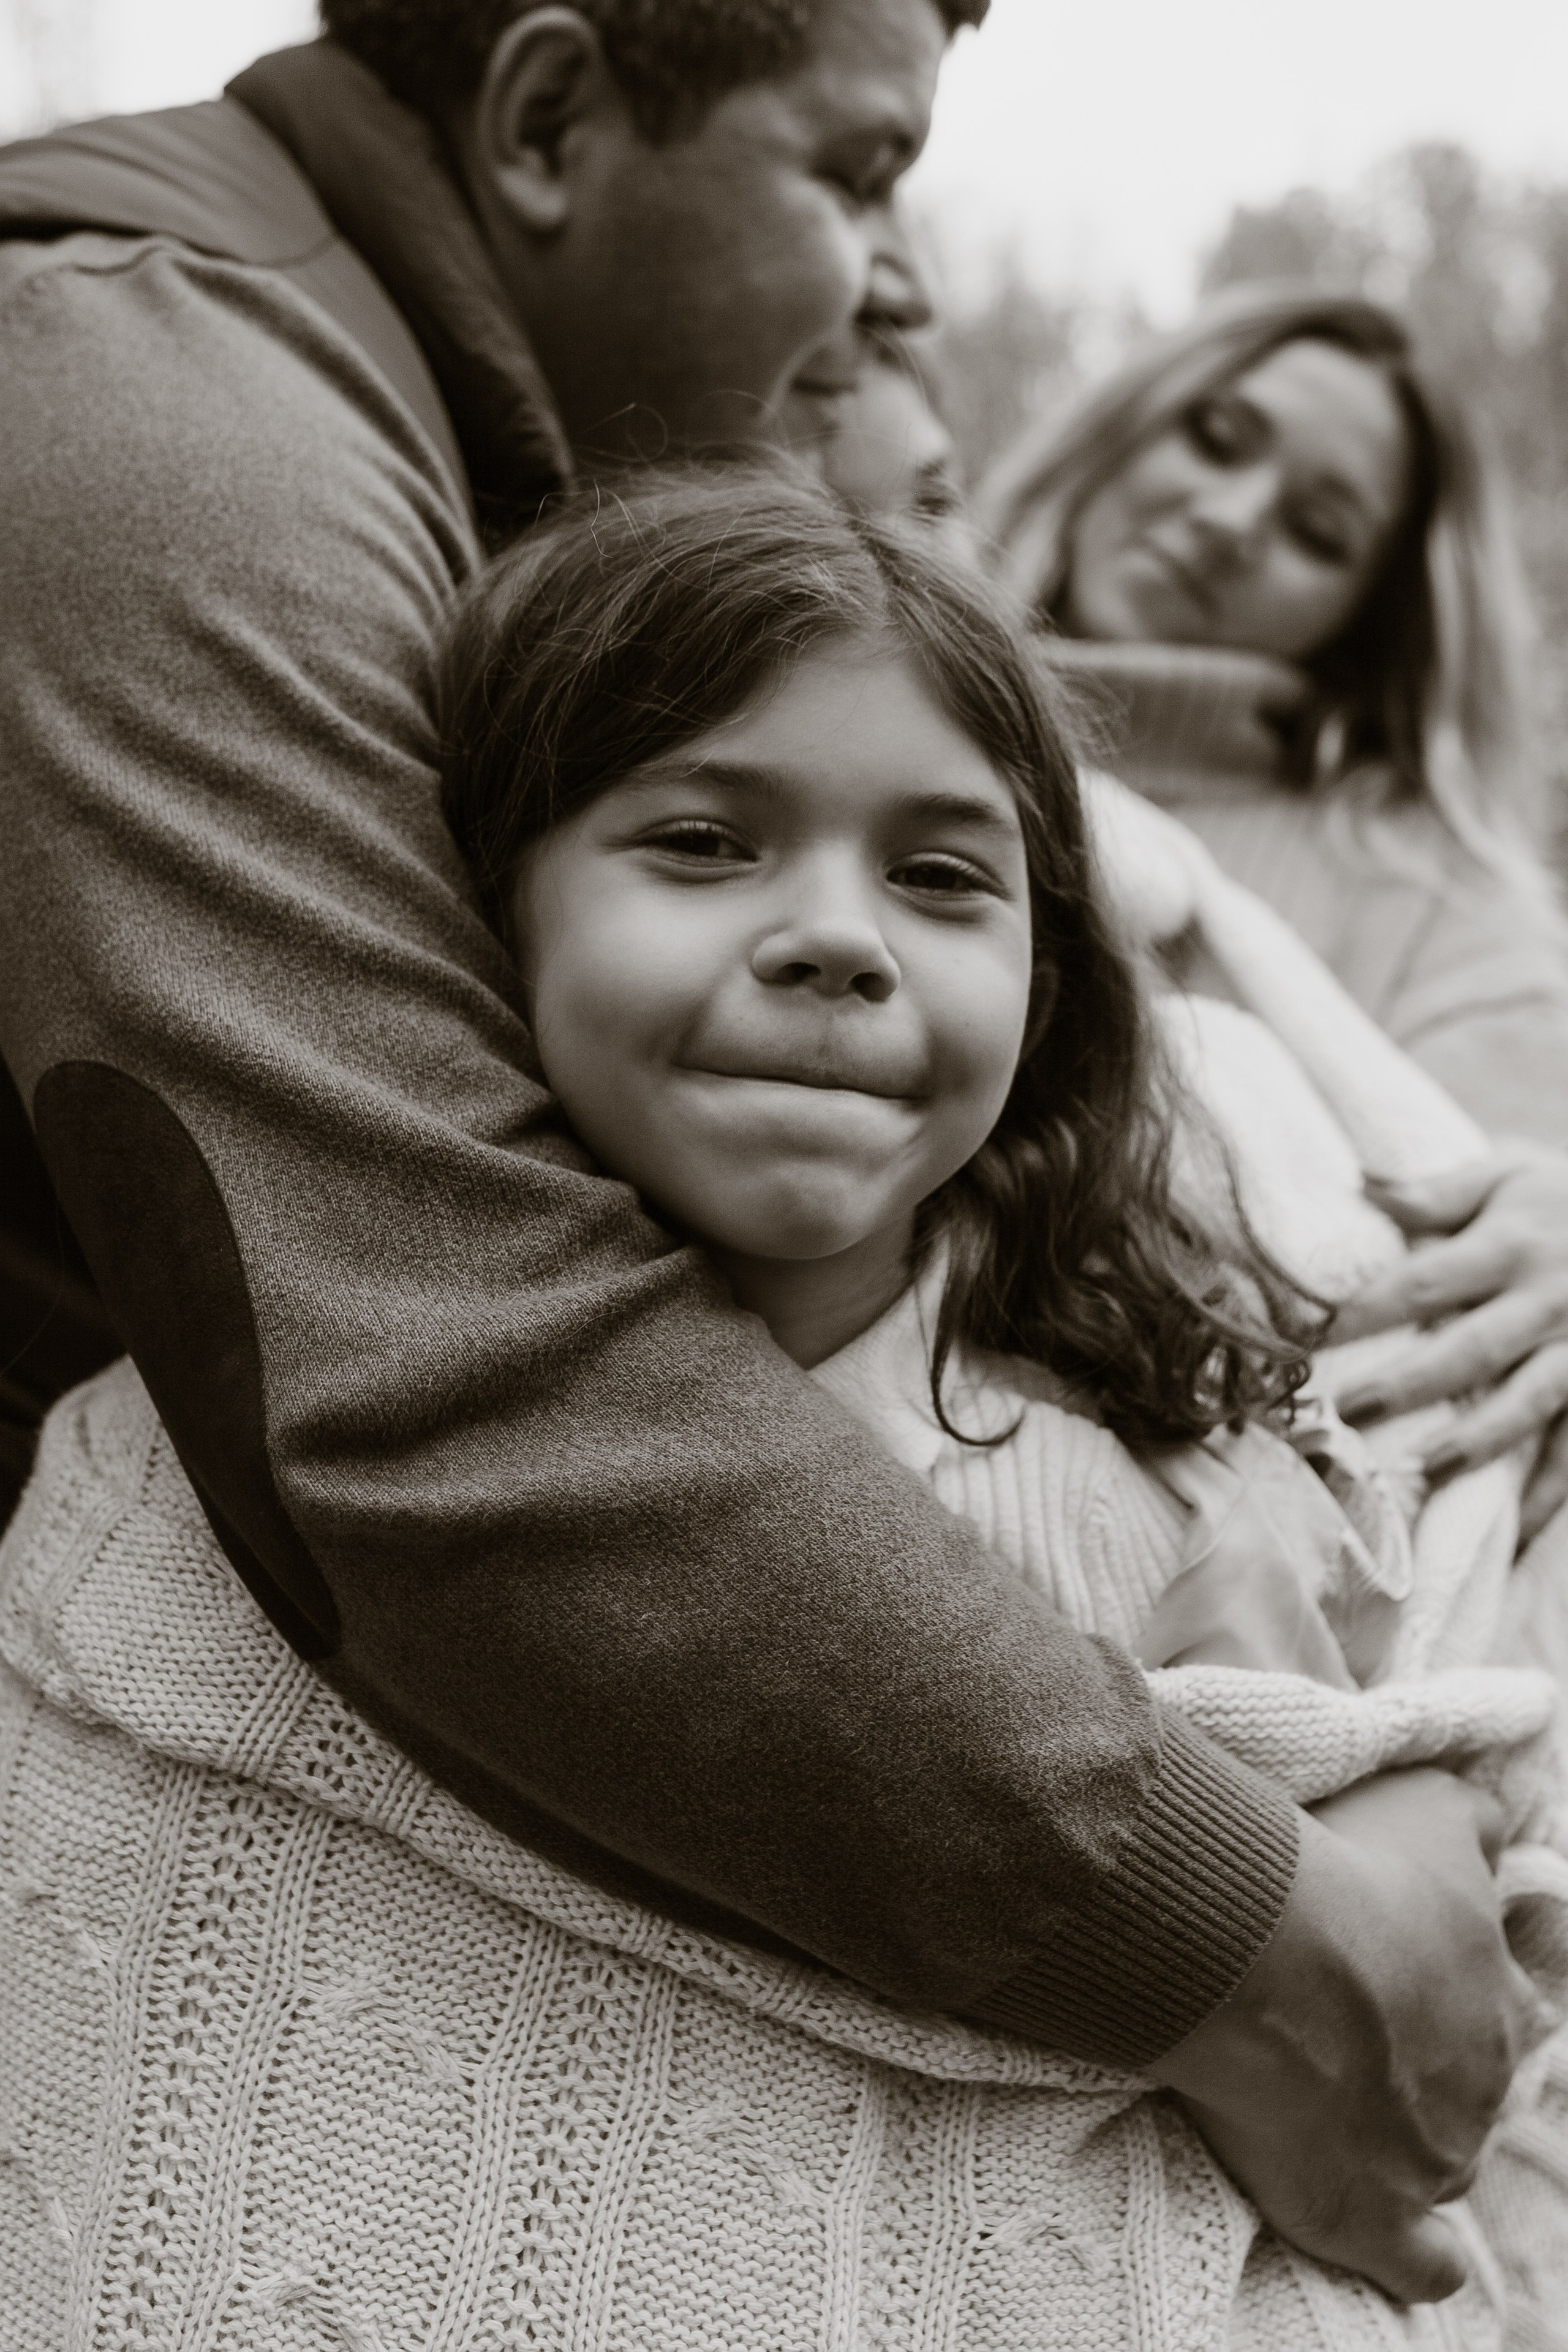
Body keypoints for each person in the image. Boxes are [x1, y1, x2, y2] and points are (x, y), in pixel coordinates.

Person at [0, 4, 1526, 2306]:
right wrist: (1246, 1941)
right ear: (541, 120)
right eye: (859, 174)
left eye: (948, 879)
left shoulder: (1158, 1290)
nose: (879, 286)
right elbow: (434, 1371)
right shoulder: (162, 407)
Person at [971, 285, 1568, 1534]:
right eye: (1216, 437)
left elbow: (1523, 1193)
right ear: (1120, 427)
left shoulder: (1427, 890)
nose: (1230, 522)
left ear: (1370, 617)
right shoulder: (855, 670)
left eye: (1317, 530)